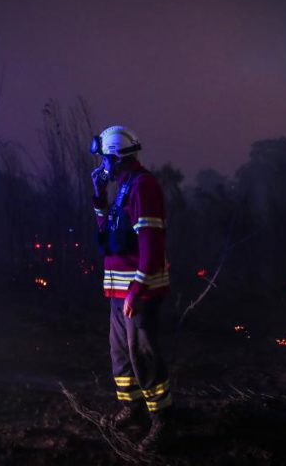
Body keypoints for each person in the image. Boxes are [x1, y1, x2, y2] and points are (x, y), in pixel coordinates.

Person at [90, 125, 173, 451]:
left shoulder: (143, 186)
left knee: (144, 355)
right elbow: (108, 236)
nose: (101, 167)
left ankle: (163, 420)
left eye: (104, 160)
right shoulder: (124, 187)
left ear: (115, 158)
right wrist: (99, 198)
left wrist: (137, 290)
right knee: (121, 354)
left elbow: (152, 243)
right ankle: (133, 407)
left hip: (138, 293)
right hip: (118, 291)